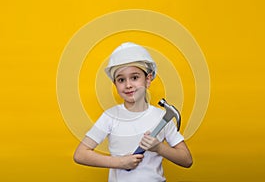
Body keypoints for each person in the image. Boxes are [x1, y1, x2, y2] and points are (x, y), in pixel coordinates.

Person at [73, 42, 193, 182]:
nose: (128, 85)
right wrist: (120, 162)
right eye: (121, 80)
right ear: (115, 84)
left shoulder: (162, 117)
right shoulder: (110, 117)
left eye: (135, 77)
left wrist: (159, 147)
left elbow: (187, 160)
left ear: (148, 80)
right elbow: (80, 155)